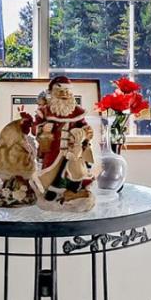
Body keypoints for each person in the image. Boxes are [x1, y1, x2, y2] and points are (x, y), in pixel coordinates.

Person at [32, 76, 99, 210]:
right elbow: (35, 128)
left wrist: (86, 132)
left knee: (75, 171)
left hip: (73, 149)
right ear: (51, 92)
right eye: (60, 90)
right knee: (50, 172)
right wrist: (42, 129)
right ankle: (51, 191)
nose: (64, 94)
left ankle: (71, 191)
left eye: (67, 90)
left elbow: (84, 126)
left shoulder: (77, 111)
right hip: (53, 149)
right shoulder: (45, 111)